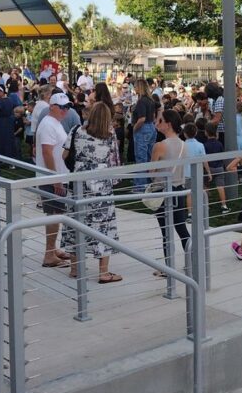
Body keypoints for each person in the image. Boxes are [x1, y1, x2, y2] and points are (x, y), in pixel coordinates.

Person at [61, 101, 122, 284]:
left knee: (75, 223)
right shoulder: (110, 134)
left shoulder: (76, 130)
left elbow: (64, 155)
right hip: (101, 184)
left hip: (78, 182)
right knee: (103, 226)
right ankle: (103, 272)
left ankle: (75, 268)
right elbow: (114, 161)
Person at [36, 92, 75, 267]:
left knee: (57, 214)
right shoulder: (48, 125)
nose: (65, 110)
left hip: (56, 177)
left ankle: (52, 249)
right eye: (62, 107)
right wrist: (55, 179)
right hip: (52, 178)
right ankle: (49, 254)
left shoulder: (54, 123)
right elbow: (47, 152)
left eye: (67, 107)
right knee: (53, 214)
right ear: (52, 107)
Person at [151, 109, 190, 271]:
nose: (156, 123)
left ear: (168, 124)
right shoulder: (184, 145)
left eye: (160, 120)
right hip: (179, 190)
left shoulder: (160, 146)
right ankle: (192, 262)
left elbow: (151, 173)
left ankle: (169, 269)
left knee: (166, 232)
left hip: (162, 192)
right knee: (181, 228)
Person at [131, 79, 157, 190]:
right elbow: (154, 115)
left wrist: (134, 129)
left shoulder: (142, 101)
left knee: (141, 157)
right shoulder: (150, 100)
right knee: (149, 156)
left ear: (139, 87)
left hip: (143, 128)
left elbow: (141, 119)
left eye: (135, 87)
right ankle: (147, 181)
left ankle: (141, 186)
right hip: (151, 127)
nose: (134, 89)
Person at [0, 82, 21, 159]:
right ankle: (9, 156)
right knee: (8, 140)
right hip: (9, 123)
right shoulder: (10, 101)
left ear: (2, 92)